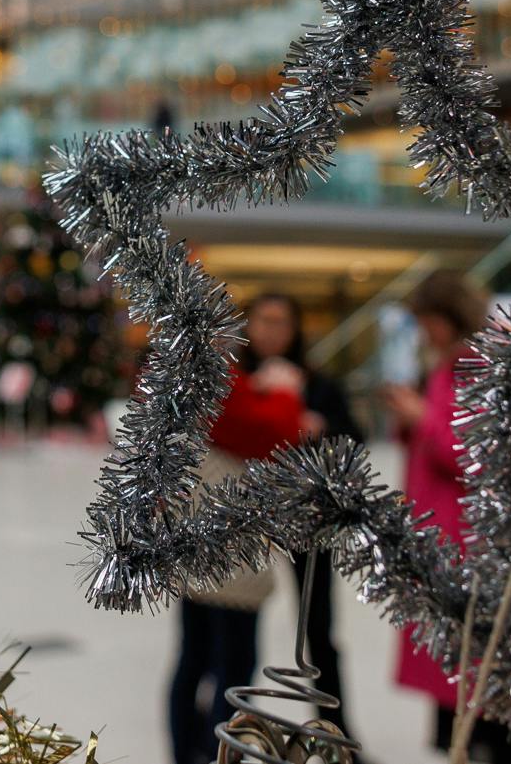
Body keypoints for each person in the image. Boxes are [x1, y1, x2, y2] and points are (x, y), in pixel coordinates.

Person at [385, 269, 511, 763]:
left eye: (428, 321)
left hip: (470, 534)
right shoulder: (445, 365)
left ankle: (496, 745)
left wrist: (421, 420)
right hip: (442, 529)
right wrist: (410, 421)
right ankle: (467, 741)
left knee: (480, 652)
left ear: (449, 316)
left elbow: (477, 455)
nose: (424, 332)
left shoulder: (478, 366)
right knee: (456, 657)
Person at [167, 293, 313, 764]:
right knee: (229, 666)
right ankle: (214, 754)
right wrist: (287, 394)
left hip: (205, 547)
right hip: (228, 555)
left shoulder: (204, 376)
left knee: (196, 658)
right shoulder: (217, 379)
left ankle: (192, 752)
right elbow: (271, 434)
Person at [273, 293, 363, 743]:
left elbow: (355, 439)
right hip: (240, 516)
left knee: (318, 628)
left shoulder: (319, 386)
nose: (271, 331)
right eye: (263, 321)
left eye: (280, 321)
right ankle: (225, 732)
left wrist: (317, 428)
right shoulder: (233, 385)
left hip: (307, 521)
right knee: (228, 628)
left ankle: (333, 732)